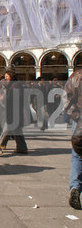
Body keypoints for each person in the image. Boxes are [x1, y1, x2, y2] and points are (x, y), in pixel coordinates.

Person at [62, 69, 82, 210]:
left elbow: (67, 98)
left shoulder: (77, 75)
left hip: (79, 118)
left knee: (77, 155)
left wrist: (72, 115)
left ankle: (75, 187)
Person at [0, 70, 28, 153]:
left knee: (8, 128)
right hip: (15, 109)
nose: (5, 78)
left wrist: (2, 99)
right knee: (16, 129)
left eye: (7, 76)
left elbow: (12, 98)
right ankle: (22, 148)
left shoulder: (14, 85)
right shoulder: (16, 84)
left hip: (13, 109)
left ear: (11, 76)